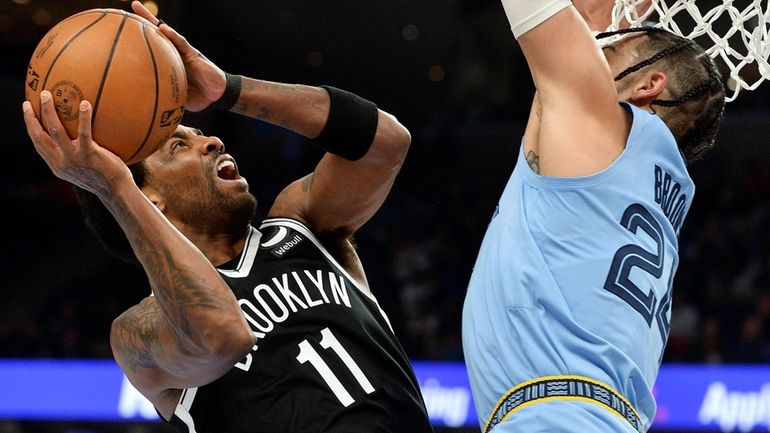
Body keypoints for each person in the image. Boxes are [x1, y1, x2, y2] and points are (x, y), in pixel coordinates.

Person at [22, 2, 434, 432]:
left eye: (201, 132)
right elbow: (222, 336)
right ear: (151, 200)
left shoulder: (303, 225)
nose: (213, 141)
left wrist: (229, 91)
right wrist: (113, 186)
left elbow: (386, 145)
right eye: (179, 146)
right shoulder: (141, 329)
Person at [461, 1, 725, 432]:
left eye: (613, 51)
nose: (598, 52)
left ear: (648, 85)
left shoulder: (599, 124)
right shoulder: (647, 176)